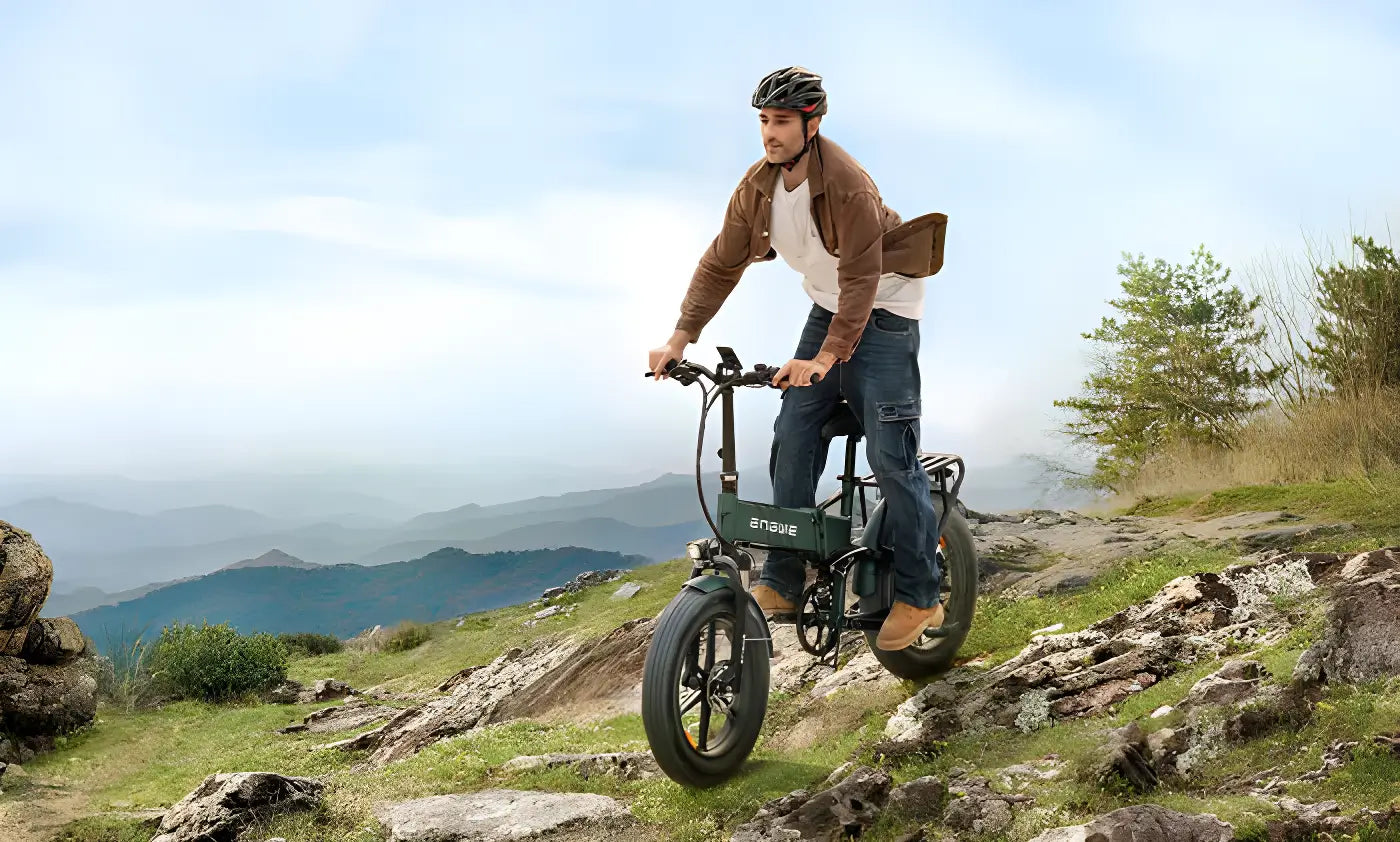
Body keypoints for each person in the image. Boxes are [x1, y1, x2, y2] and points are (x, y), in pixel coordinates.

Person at [648, 66, 949, 651]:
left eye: (781, 121)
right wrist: (680, 338)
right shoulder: (759, 186)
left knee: (892, 458)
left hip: (885, 312)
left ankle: (920, 594)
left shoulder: (847, 185)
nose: (770, 132)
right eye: (763, 120)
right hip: (828, 309)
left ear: (812, 123)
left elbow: (861, 278)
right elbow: (720, 263)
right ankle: (784, 580)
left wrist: (828, 356)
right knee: (792, 431)